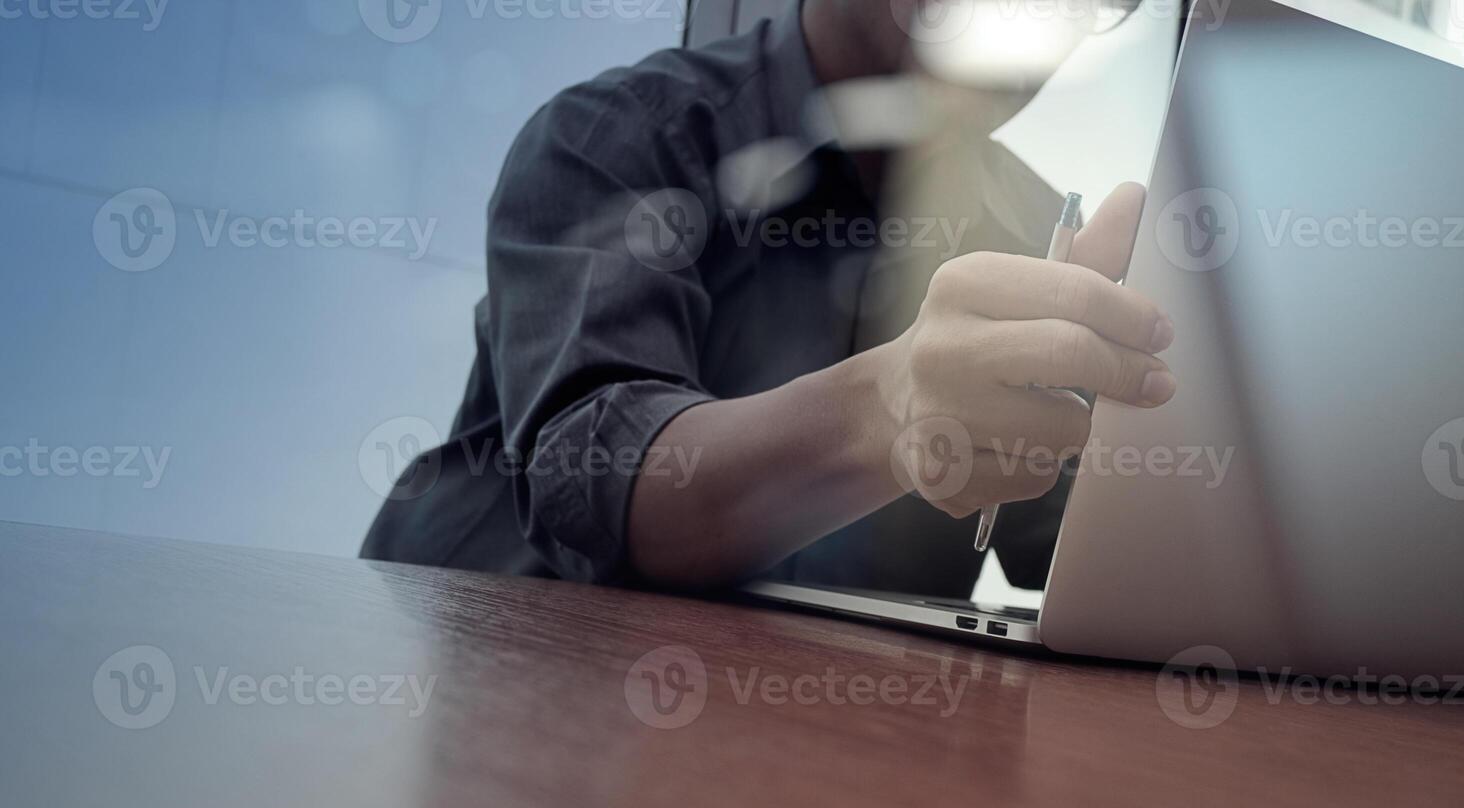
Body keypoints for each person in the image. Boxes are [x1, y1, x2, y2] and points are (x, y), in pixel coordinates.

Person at [361, 0, 1177, 596]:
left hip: (831, 755)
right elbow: (606, 490)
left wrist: (1156, 429)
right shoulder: (616, 132)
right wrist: (890, 407)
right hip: (494, 691)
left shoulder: (1035, 228)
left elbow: (1060, 550)